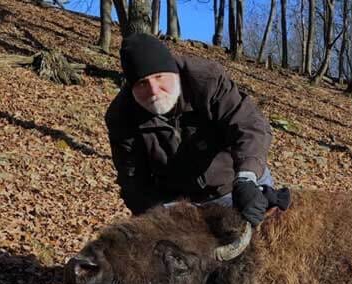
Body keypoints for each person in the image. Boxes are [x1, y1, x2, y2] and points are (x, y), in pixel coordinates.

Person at [105, 33, 287, 225]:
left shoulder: (206, 80)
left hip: (235, 183)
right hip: (180, 203)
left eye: (159, 77)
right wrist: (159, 218)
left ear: (174, 71)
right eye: (142, 83)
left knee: (262, 235)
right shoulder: (122, 115)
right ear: (131, 88)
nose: (154, 90)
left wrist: (247, 177)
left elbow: (249, 125)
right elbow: (133, 180)